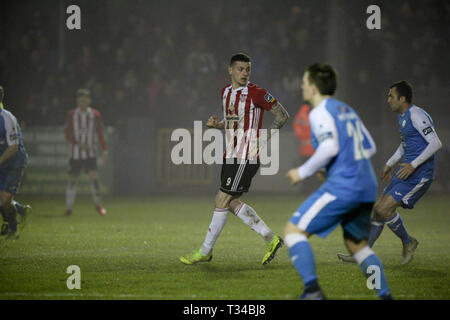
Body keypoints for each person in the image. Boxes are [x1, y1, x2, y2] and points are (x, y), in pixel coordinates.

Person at [284, 63, 392, 300]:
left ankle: (312, 291)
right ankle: (385, 295)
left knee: (293, 232)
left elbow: (329, 146)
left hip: (345, 186)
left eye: (304, 81)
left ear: (312, 88)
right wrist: (335, 165)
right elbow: (370, 146)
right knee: (357, 245)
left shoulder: (319, 111)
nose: (301, 85)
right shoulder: (346, 109)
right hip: (367, 186)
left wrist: (302, 172)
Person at [180, 53, 289, 265]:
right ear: (230, 70)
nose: (245, 73)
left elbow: (282, 115)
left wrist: (266, 137)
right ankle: (270, 238)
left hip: (245, 155)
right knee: (231, 203)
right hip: (230, 154)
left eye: (247, 69)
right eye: (240, 69)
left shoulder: (257, 93)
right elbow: (232, 123)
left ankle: (205, 251)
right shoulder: (226, 92)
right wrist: (217, 125)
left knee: (221, 199)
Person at [337, 81, 442, 265]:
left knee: (384, 209)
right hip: (406, 172)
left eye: (391, 96)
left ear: (402, 99)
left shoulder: (416, 114)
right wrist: (389, 163)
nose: (388, 100)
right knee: (378, 212)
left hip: (420, 174)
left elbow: (435, 143)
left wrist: (413, 164)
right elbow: (405, 144)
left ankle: (408, 241)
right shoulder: (402, 117)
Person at [64, 88, 108, 216]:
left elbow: (100, 133)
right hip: (75, 153)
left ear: (89, 101)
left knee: (94, 179)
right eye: (79, 100)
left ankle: (98, 205)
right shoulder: (71, 114)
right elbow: (67, 133)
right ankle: (69, 208)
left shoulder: (95, 115)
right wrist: (78, 143)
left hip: (91, 153)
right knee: (72, 180)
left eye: (84, 99)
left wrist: (104, 150)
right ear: (77, 101)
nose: (82, 102)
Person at [0, 85, 31, 239]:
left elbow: (13, 147)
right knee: (2, 199)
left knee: (5, 199)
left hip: (14, 162)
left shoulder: (6, 117)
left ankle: (13, 228)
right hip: (2, 161)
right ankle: (20, 211)